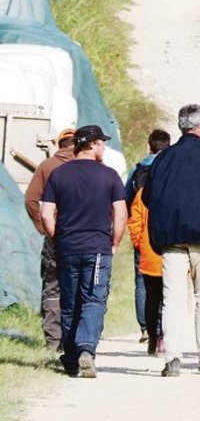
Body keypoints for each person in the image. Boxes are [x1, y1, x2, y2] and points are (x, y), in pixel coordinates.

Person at [145, 103, 200, 377]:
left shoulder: (163, 158)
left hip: (171, 238)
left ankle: (173, 357)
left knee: (172, 297)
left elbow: (149, 197)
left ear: (180, 126)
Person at [38, 125, 125, 378]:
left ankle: (72, 358)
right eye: (101, 143)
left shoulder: (58, 174)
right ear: (92, 144)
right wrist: (115, 243)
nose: (104, 147)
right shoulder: (109, 176)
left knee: (69, 302)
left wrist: (57, 236)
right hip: (97, 248)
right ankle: (86, 349)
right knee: (93, 299)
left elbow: (45, 213)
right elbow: (120, 215)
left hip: (67, 247)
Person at [23, 127, 77, 350]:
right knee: (79, 286)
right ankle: (77, 340)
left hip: (55, 236)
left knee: (53, 287)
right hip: (82, 236)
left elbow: (31, 200)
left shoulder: (47, 166)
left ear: (58, 145)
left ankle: (54, 342)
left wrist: (45, 227)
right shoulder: (89, 165)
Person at [125, 129, 171, 345]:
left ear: (149, 146)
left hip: (143, 236)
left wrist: (137, 240)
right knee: (168, 287)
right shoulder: (171, 172)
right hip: (167, 241)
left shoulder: (138, 171)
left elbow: (127, 201)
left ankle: (146, 328)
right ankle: (162, 331)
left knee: (143, 285)